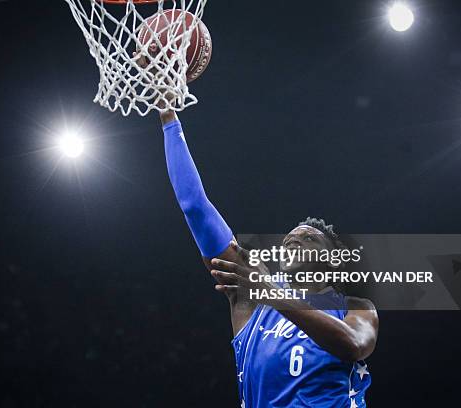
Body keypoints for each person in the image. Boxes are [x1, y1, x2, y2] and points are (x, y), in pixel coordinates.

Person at [159, 109, 379, 408]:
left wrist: (270, 292)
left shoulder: (354, 307)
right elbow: (195, 206)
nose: (293, 242)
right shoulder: (250, 299)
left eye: (308, 239)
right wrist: (169, 117)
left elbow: (353, 345)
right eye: (289, 240)